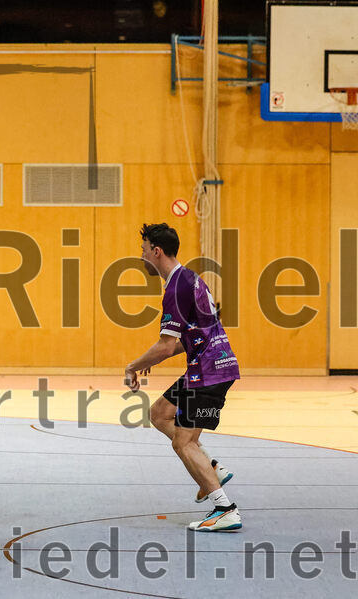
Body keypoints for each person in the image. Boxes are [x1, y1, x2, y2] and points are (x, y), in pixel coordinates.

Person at [124, 223, 242, 532]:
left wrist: (132, 367)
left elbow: (165, 346)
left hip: (209, 372)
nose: (141, 256)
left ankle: (224, 508)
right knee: (159, 413)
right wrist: (154, 358)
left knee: (183, 441)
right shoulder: (191, 279)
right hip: (208, 367)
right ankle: (212, 467)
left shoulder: (176, 289)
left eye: (143, 250)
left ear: (156, 251)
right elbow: (187, 339)